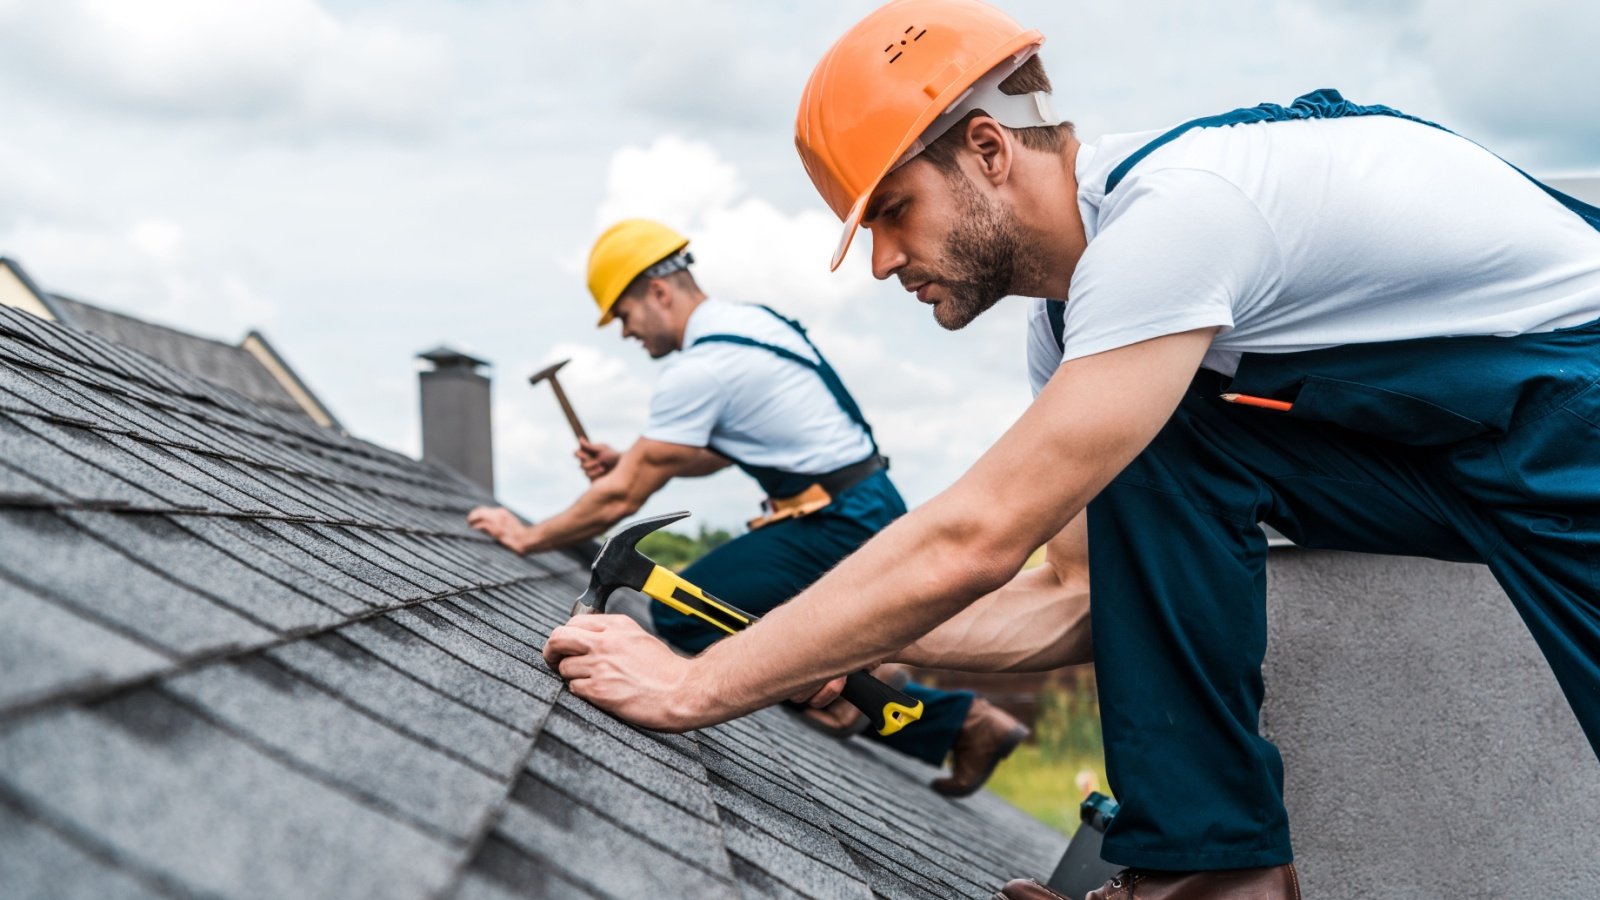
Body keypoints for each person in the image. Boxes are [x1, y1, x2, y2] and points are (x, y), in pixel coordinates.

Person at [540, 1, 1600, 897]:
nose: (879, 262)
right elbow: (1082, 596)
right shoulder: (1083, 338)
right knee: (1164, 442)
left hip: (1574, 414)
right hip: (1457, 450)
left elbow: (976, 535)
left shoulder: (1173, 222)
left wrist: (697, 684)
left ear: (989, 151)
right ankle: (1208, 873)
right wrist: (847, 649)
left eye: (893, 212)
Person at [468, 217, 1028, 796]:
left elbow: (622, 496)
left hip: (835, 521)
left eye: (625, 316)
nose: (627, 334)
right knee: (764, 626)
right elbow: (713, 453)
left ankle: (906, 704)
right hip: (859, 504)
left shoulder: (701, 366)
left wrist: (527, 535)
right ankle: (912, 703)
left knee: (685, 614)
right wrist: (631, 459)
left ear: (658, 292)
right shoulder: (751, 325)